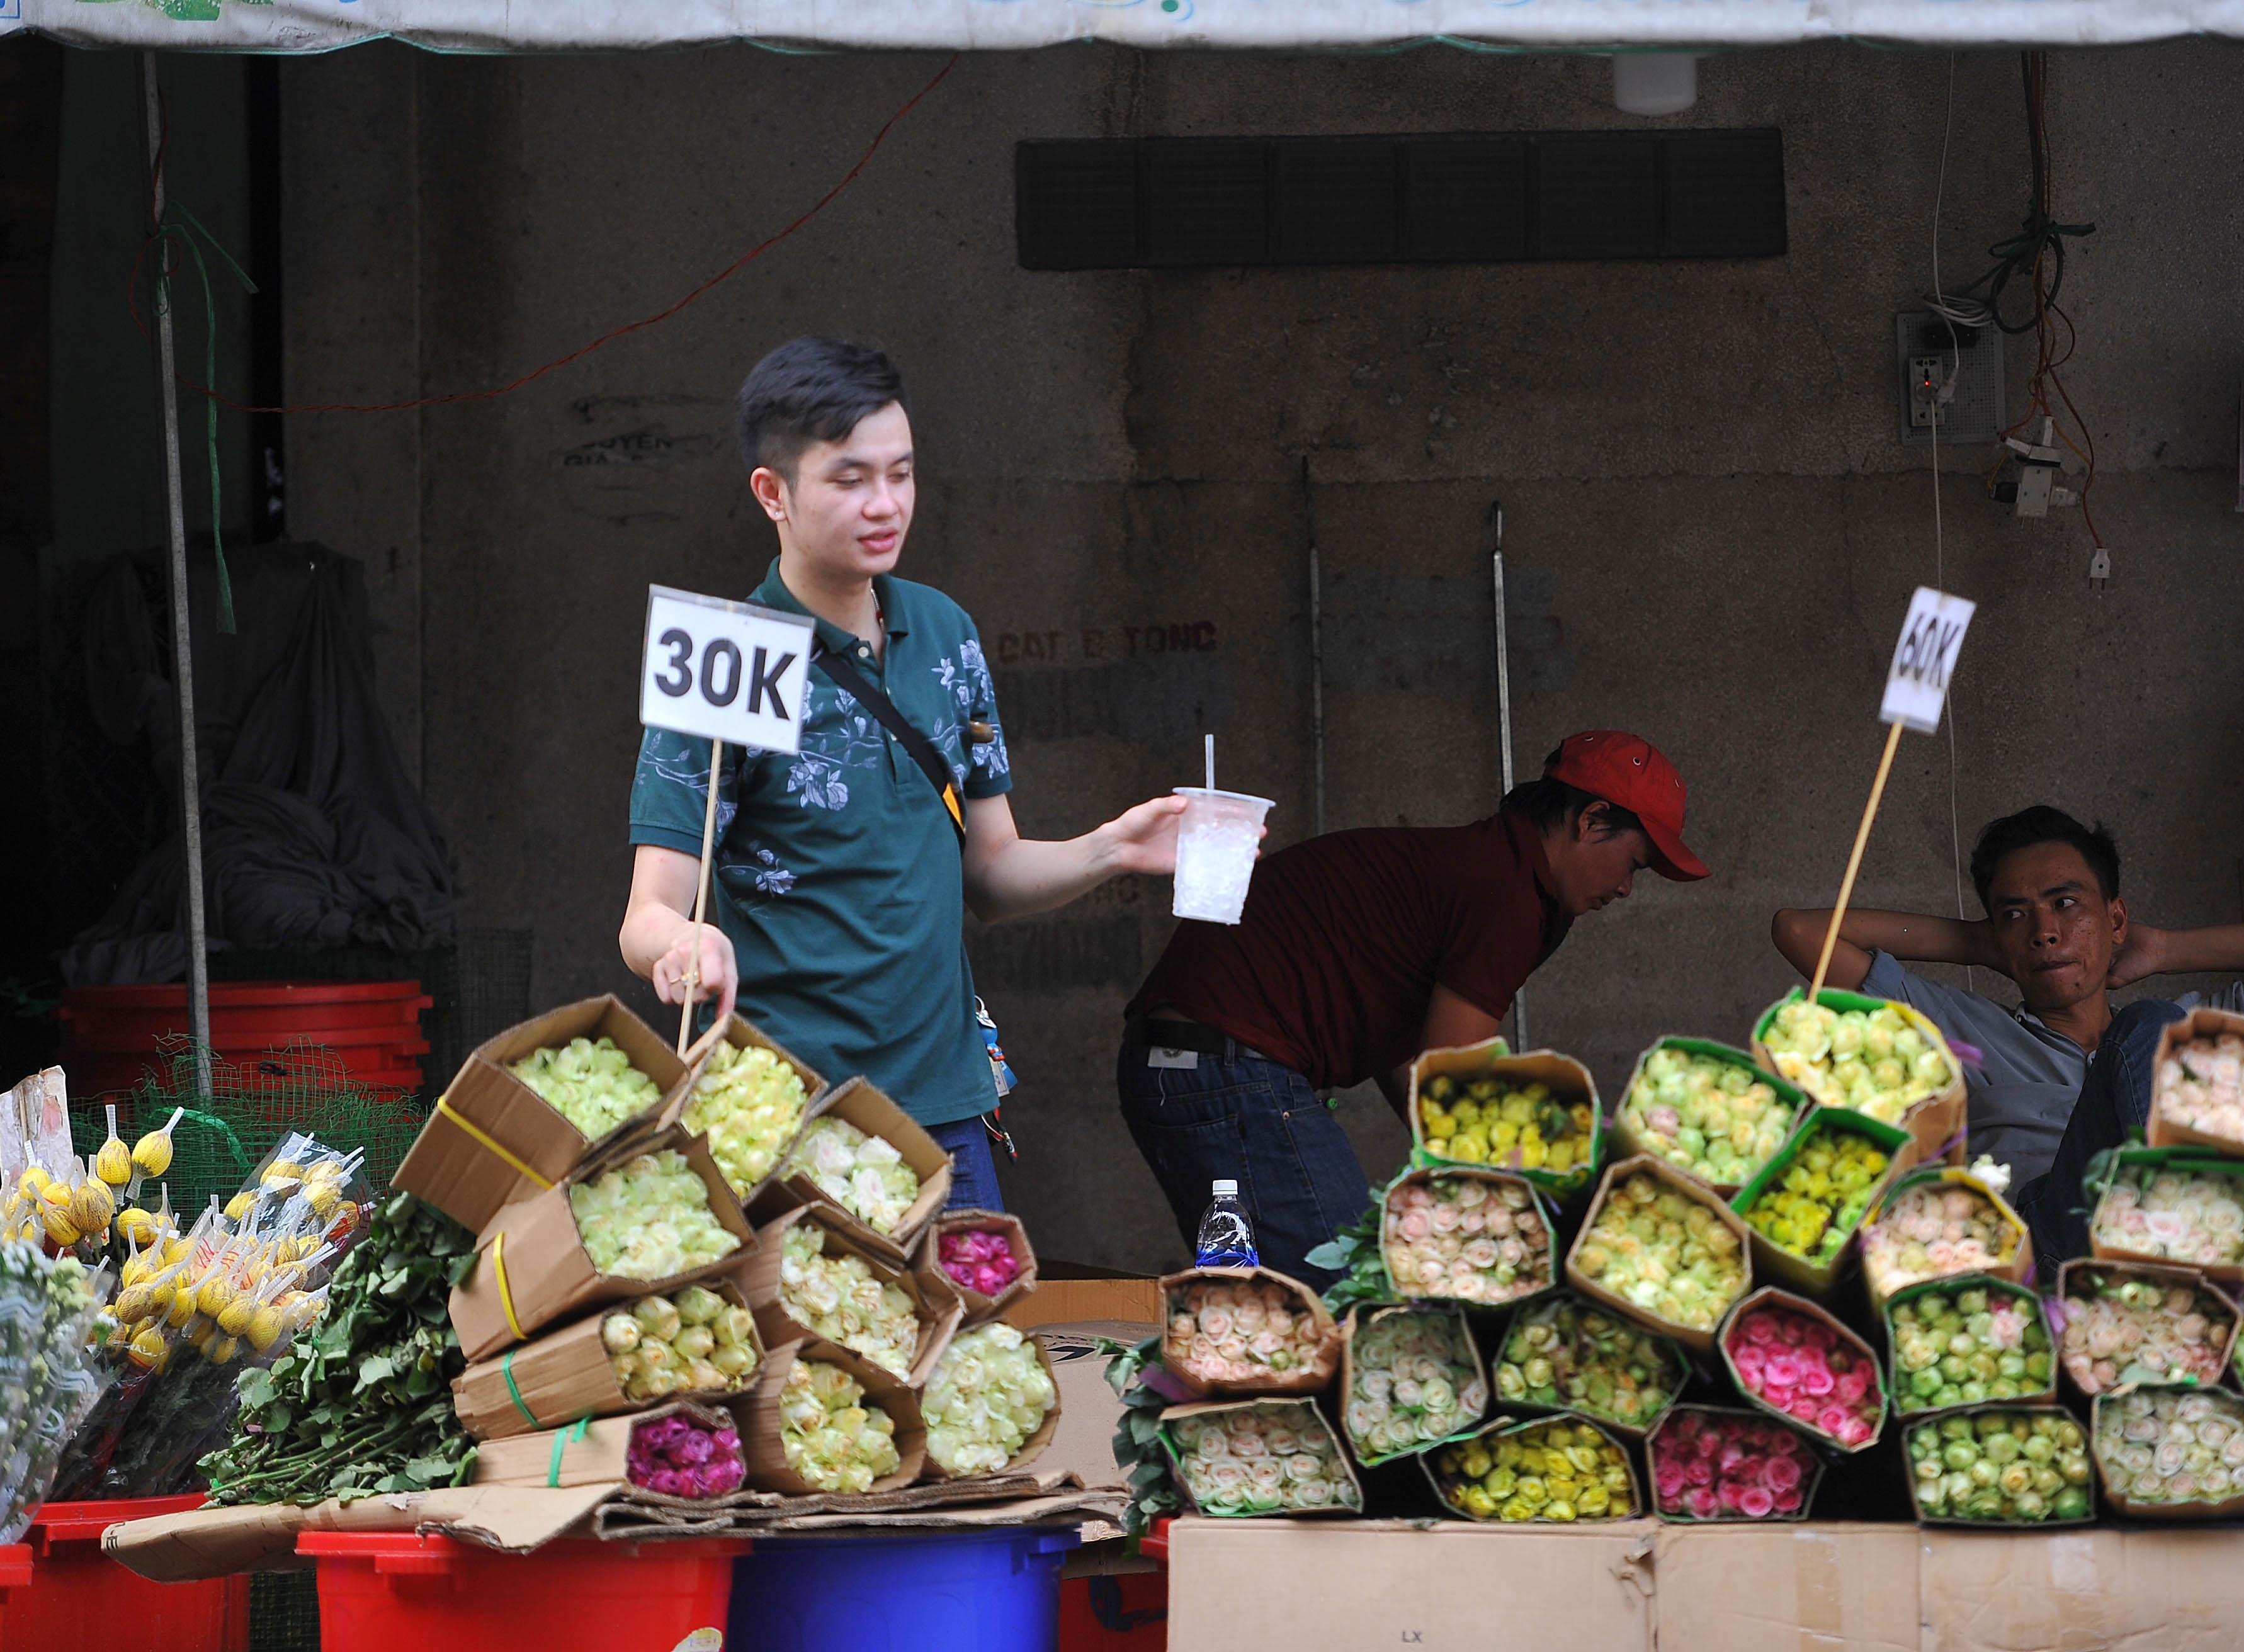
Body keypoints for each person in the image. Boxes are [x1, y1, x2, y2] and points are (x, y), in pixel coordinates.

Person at [623, 337, 1187, 1212]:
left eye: (901, 474)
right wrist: (680, 943)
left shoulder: (946, 630)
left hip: (948, 1104)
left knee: (972, 1345)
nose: (884, 505)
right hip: (786, 1112)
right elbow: (646, 915)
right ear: (773, 493)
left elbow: (992, 875)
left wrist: (1112, 848)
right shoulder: (726, 655)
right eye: (849, 480)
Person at [1771, 805, 2244, 1316]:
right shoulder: (1962, 1027)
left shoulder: (2197, 1021)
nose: (2046, 930)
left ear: (2116, 917)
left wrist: (2166, 950)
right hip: (2064, 1241)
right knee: (2155, 1033)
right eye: (2017, 913)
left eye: (2067, 905)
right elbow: (1802, 930)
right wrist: (1989, 943)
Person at [1118, 732, 1710, 1285]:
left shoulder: (1486, 865)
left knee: (1280, 1316)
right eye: (1634, 864)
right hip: (1227, 1070)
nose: (1629, 889)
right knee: (1345, 1308)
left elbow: (1418, 1070)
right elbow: (1454, 1077)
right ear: (1590, 821)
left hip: (1190, 1066)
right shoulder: (1509, 893)